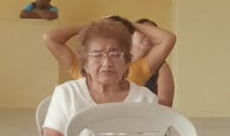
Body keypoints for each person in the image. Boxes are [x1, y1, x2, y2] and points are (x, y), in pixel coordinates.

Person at [44, 17, 176, 90]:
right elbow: (50, 38)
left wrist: (128, 24)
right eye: (98, 53)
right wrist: (96, 25)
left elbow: (168, 38)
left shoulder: (139, 69)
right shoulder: (84, 67)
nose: (106, 62)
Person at [134, 18, 175, 107]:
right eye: (143, 31)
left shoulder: (161, 67)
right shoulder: (120, 62)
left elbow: (165, 105)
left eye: (152, 33)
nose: (148, 36)